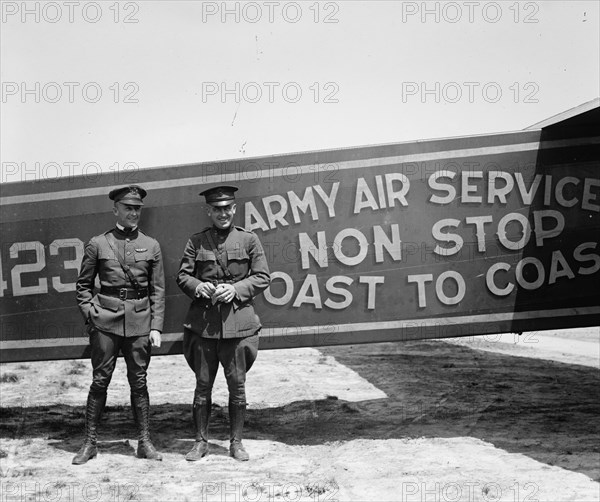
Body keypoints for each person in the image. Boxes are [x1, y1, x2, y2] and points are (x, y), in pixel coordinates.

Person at [176, 185, 270, 461]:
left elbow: (263, 277)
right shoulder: (196, 242)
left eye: (227, 208)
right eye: (217, 209)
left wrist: (237, 290)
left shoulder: (249, 240)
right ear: (209, 211)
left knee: (237, 386)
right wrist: (198, 287)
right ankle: (200, 442)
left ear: (234, 208)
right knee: (202, 386)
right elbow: (182, 276)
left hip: (238, 325)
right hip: (204, 326)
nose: (223, 214)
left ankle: (236, 443)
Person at [73, 185, 165, 464]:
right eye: (128, 208)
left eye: (137, 209)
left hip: (139, 322)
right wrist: (92, 315)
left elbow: (158, 290)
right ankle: (90, 443)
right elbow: (83, 286)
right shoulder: (98, 244)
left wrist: (156, 326)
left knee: (139, 382)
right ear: (115, 209)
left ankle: (144, 442)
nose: (133, 213)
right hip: (106, 321)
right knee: (100, 380)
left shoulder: (151, 245)